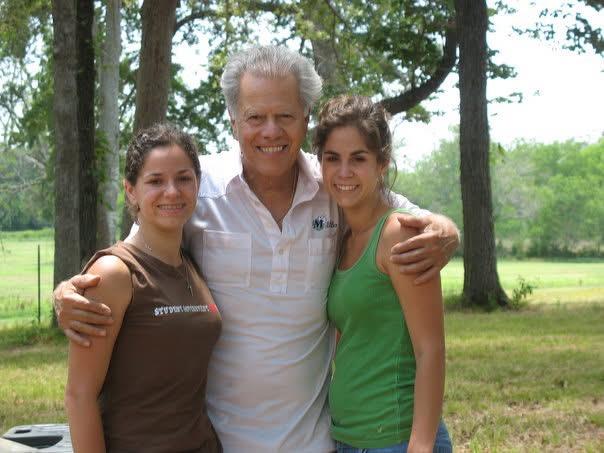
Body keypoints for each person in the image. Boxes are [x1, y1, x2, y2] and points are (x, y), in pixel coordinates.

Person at [54, 46, 459, 452]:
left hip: (315, 441)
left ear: (305, 118)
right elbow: (137, 257)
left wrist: (447, 229)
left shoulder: (335, 182)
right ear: (233, 121)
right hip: (218, 441)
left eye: (284, 116)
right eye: (255, 117)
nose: (271, 131)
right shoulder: (194, 187)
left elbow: (406, 216)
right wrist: (68, 291)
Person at [64, 124, 222, 452]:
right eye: (155, 181)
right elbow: (79, 395)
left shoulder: (192, 263)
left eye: (183, 178)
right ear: (131, 191)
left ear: (197, 184)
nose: (172, 191)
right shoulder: (114, 274)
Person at [314, 95, 452, 452]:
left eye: (358, 158)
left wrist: (420, 445)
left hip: (395, 438)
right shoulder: (341, 236)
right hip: (348, 438)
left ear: (382, 163)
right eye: (333, 159)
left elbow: (431, 349)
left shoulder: (397, 234)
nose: (344, 172)